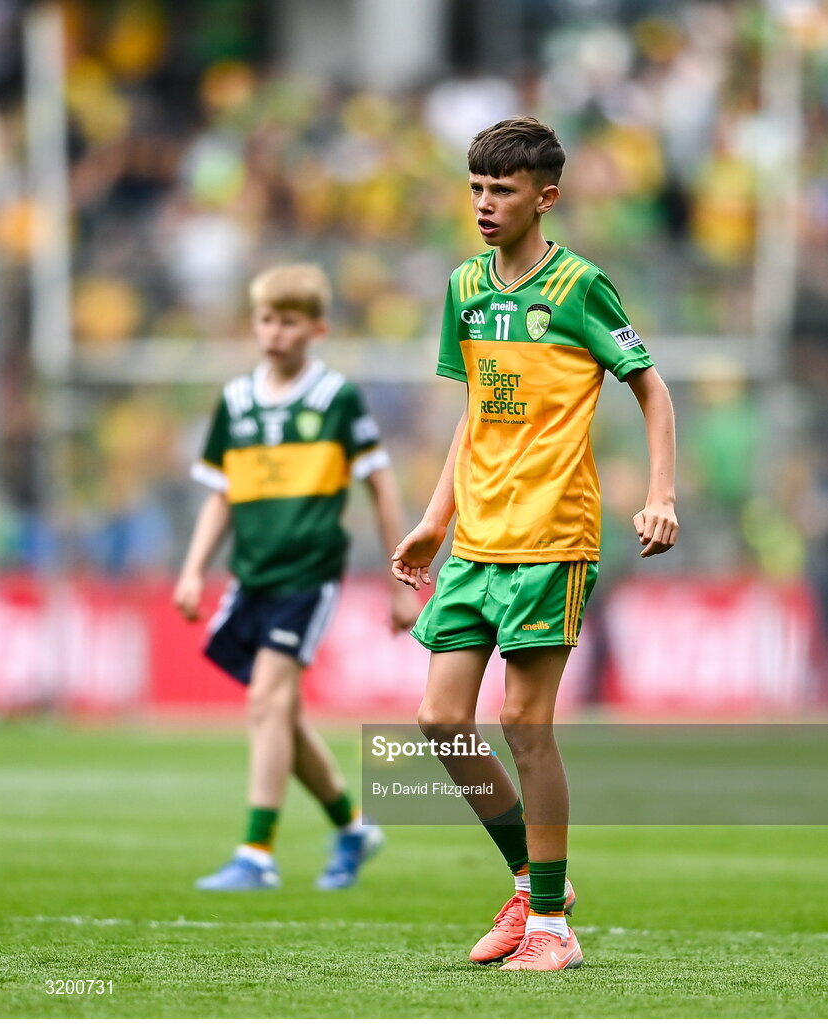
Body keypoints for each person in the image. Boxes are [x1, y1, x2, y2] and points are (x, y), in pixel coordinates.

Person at [392, 118, 678, 971]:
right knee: (439, 720)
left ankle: (550, 925)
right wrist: (435, 518)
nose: (484, 204)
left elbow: (651, 390)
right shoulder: (464, 288)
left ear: (544, 198)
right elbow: (475, 411)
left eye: (503, 191)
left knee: (524, 723)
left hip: (553, 535)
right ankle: (532, 877)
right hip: (477, 537)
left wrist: (660, 494)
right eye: (476, 188)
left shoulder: (582, 287)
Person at [174, 262, 419, 892]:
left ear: (316, 327)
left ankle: (256, 852)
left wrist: (401, 577)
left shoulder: (335, 398)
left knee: (266, 701)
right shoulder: (236, 401)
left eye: (287, 321)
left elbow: (380, 482)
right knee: (278, 710)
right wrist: (194, 569)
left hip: (308, 574)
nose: (273, 333)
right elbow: (222, 493)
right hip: (251, 574)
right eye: (265, 320)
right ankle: (354, 826)